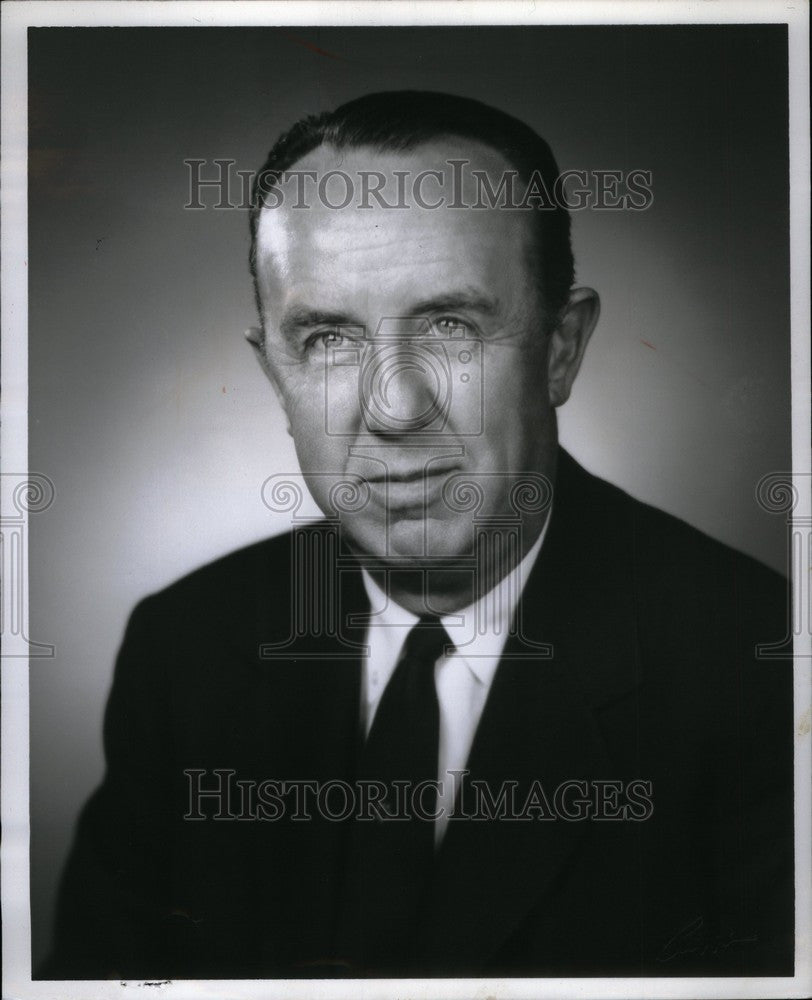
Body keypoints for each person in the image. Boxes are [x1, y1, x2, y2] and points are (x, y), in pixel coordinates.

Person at [43, 91, 794, 980]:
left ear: (561, 348)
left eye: (450, 326)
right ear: (274, 373)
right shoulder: (188, 647)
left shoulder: (759, 669)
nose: (394, 409)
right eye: (327, 338)